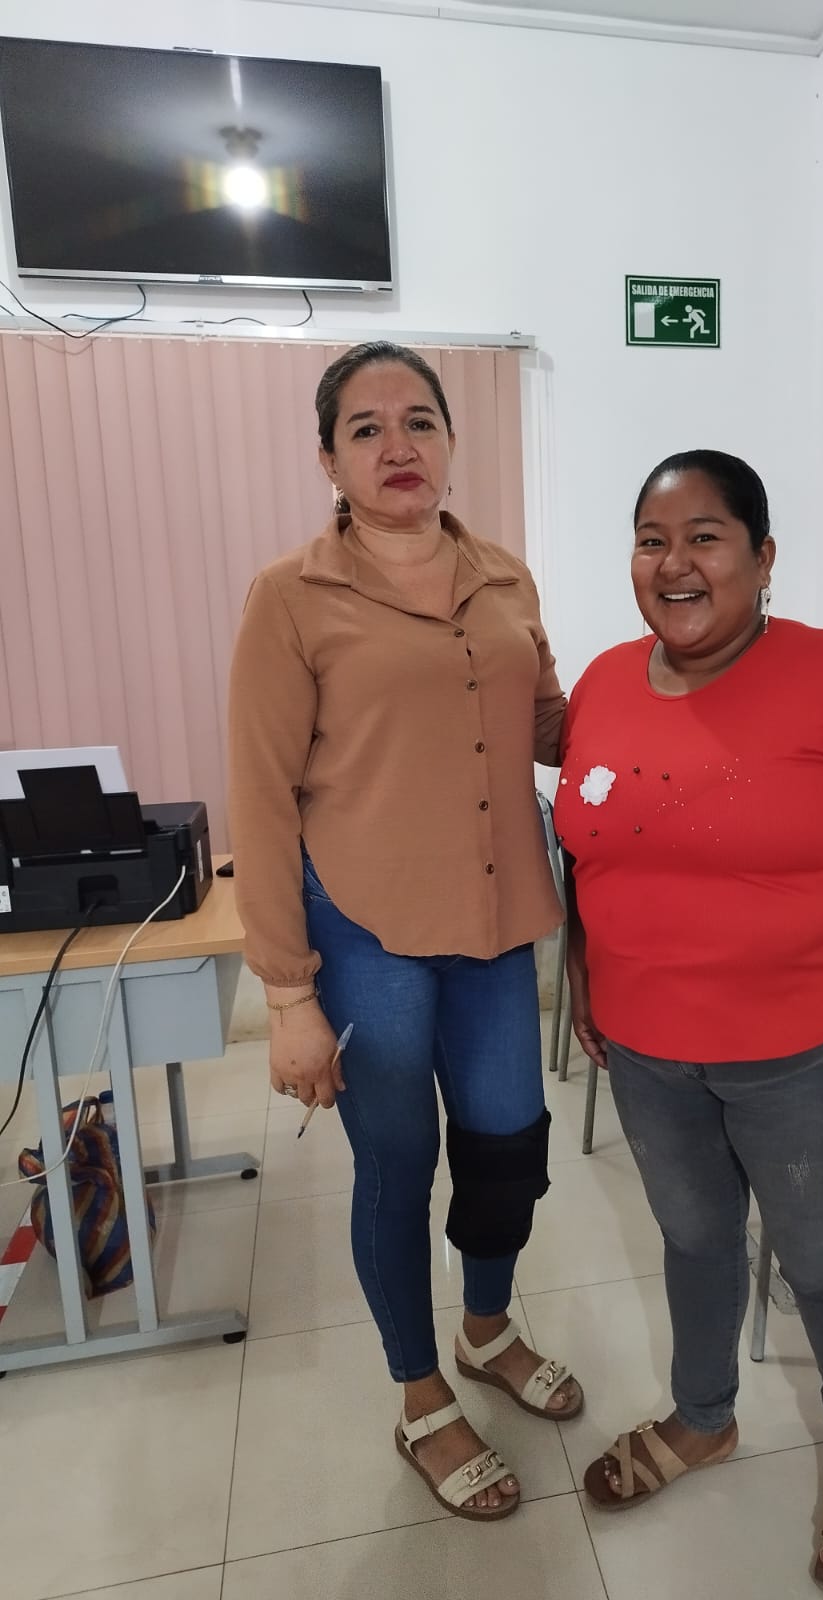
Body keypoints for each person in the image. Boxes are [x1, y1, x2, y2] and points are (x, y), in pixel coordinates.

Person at [556, 451, 823, 1591]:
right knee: (694, 1239)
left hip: (807, 1051)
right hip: (647, 1048)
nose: (674, 563)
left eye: (706, 536)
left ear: (763, 555)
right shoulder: (603, 681)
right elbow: (591, 842)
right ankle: (704, 1418)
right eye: (652, 539)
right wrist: (587, 968)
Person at [227, 341, 582, 1525]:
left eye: (419, 420)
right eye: (367, 427)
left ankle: (486, 1329)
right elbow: (261, 796)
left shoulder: (504, 576)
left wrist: (681, 692)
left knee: (507, 1144)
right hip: (364, 925)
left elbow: (551, 725)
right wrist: (289, 995)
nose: (398, 445)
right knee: (399, 1160)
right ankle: (421, 1391)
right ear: (328, 457)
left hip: (496, 918)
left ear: (450, 441)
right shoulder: (290, 596)